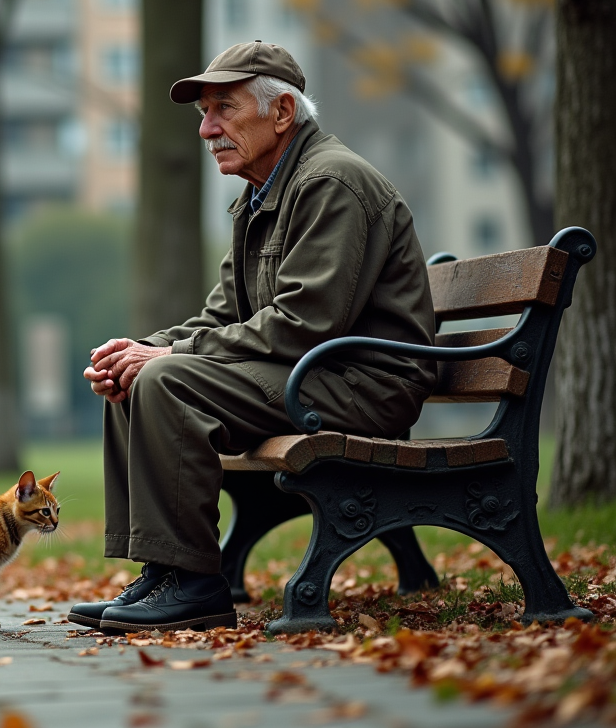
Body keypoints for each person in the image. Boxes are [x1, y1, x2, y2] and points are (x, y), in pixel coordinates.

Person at [68, 41, 437, 634]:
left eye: (224, 109)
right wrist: (139, 348)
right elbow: (221, 316)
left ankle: (195, 585)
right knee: (136, 377)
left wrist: (166, 357)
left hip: (365, 386)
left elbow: (304, 322)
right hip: (311, 373)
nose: (207, 129)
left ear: (282, 112)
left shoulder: (331, 183)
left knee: (164, 378)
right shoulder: (261, 196)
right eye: (203, 114)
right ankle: (163, 570)